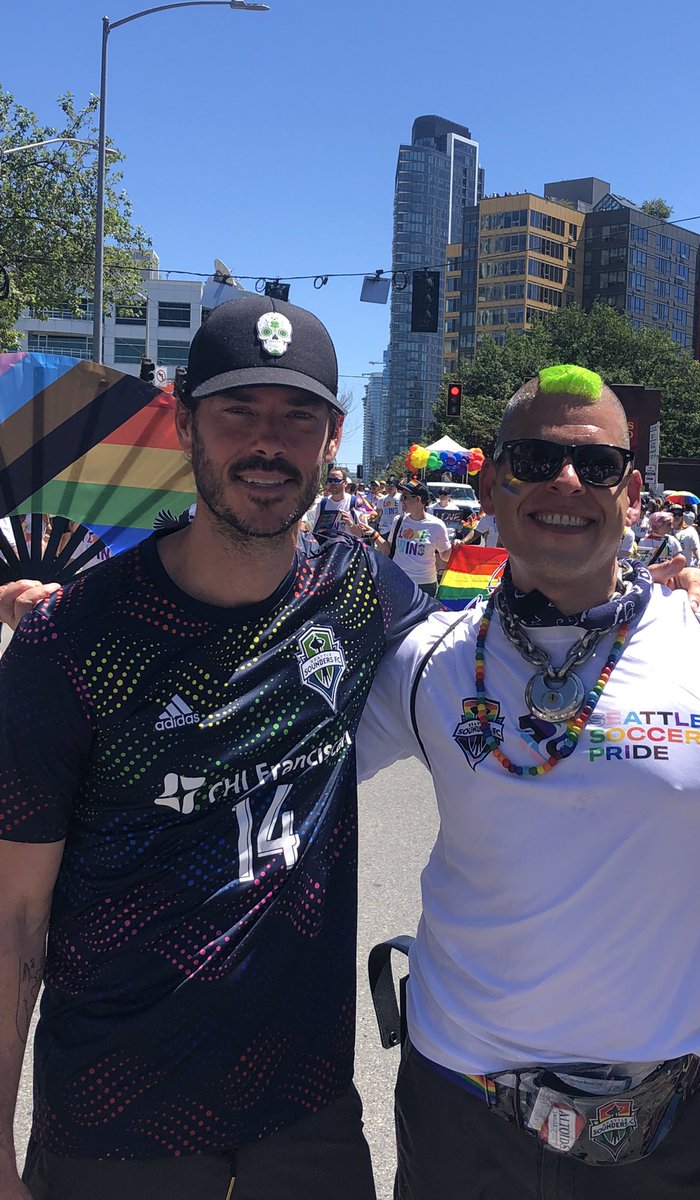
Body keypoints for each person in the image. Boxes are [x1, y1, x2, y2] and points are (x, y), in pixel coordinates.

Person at [0, 295, 438, 1200]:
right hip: (114, 1128)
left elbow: (502, 654)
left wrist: (680, 610)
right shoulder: (71, 642)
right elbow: (13, 917)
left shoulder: (362, 593)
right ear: (185, 422)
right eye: (239, 410)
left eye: (298, 416)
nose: (267, 443)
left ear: (333, 438)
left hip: (307, 1121)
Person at [359, 364, 700, 1200]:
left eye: (599, 464)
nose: (567, 481)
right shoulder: (428, 659)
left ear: (632, 493)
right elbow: (277, 768)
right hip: (462, 1113)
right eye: (535, 460)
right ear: (494, 486)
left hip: (662, 1128)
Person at [374, 481, 451, 597]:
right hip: (398, 580)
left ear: (418, 499)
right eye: (401, 497)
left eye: (405, 497)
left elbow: (445, 555)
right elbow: (388, 550)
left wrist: (457, 546)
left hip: (425, 586)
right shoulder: (398, 521)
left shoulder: (436, 525)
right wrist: (374, 535)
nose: (401, 501)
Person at [300, 464, 371, 539]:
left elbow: (363, 535)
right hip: (328, 545)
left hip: (349, 545)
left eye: (336, 480)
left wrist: (351, 524)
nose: (332, 483)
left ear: (345, 483)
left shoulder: (356, 502)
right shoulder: (323, 503)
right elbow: (317, 532)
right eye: (330, 480)